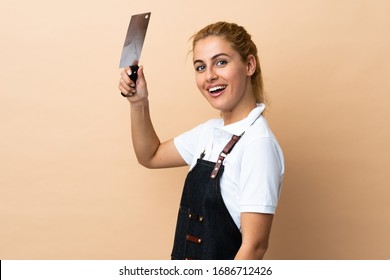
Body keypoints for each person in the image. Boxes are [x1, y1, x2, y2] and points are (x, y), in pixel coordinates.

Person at [118, 21, 284, 260]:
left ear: (249, 65)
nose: (210, 76)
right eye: (200, 67)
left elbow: (254, 247)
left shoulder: (258, 144)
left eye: (221, 62)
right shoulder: (210, 132)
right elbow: (150, 155)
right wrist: (138, 102)